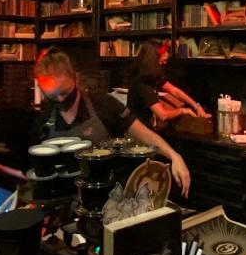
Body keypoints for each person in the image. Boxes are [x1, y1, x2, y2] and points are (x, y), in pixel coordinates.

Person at [31, 46, 191, 196]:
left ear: (76, 78)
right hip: (65, 198)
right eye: (52, 96)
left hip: (108, 196)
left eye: (65, 92)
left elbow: (145, 135)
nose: (60, 99)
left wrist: (174, 156)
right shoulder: (44, 120)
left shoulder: (103, 104)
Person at [127, 40, 210, 127]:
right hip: (137, 132)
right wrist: (183, 110)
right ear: (152, 62)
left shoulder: (152, 76)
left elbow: (174, 91)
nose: (165, 64)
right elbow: (163, 115)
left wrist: (197, 106)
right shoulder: (142, 83)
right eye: (162, 62)